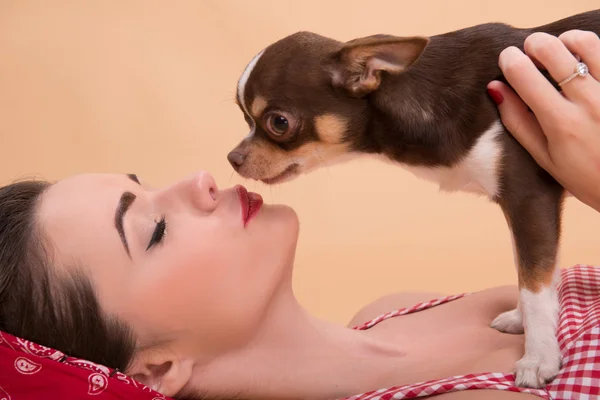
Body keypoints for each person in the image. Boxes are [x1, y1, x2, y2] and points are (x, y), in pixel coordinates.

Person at [0, 29, 599, 400]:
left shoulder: (392, 312)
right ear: (158, 369)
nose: (204, 179)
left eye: (153, 185)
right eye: (153, 231)